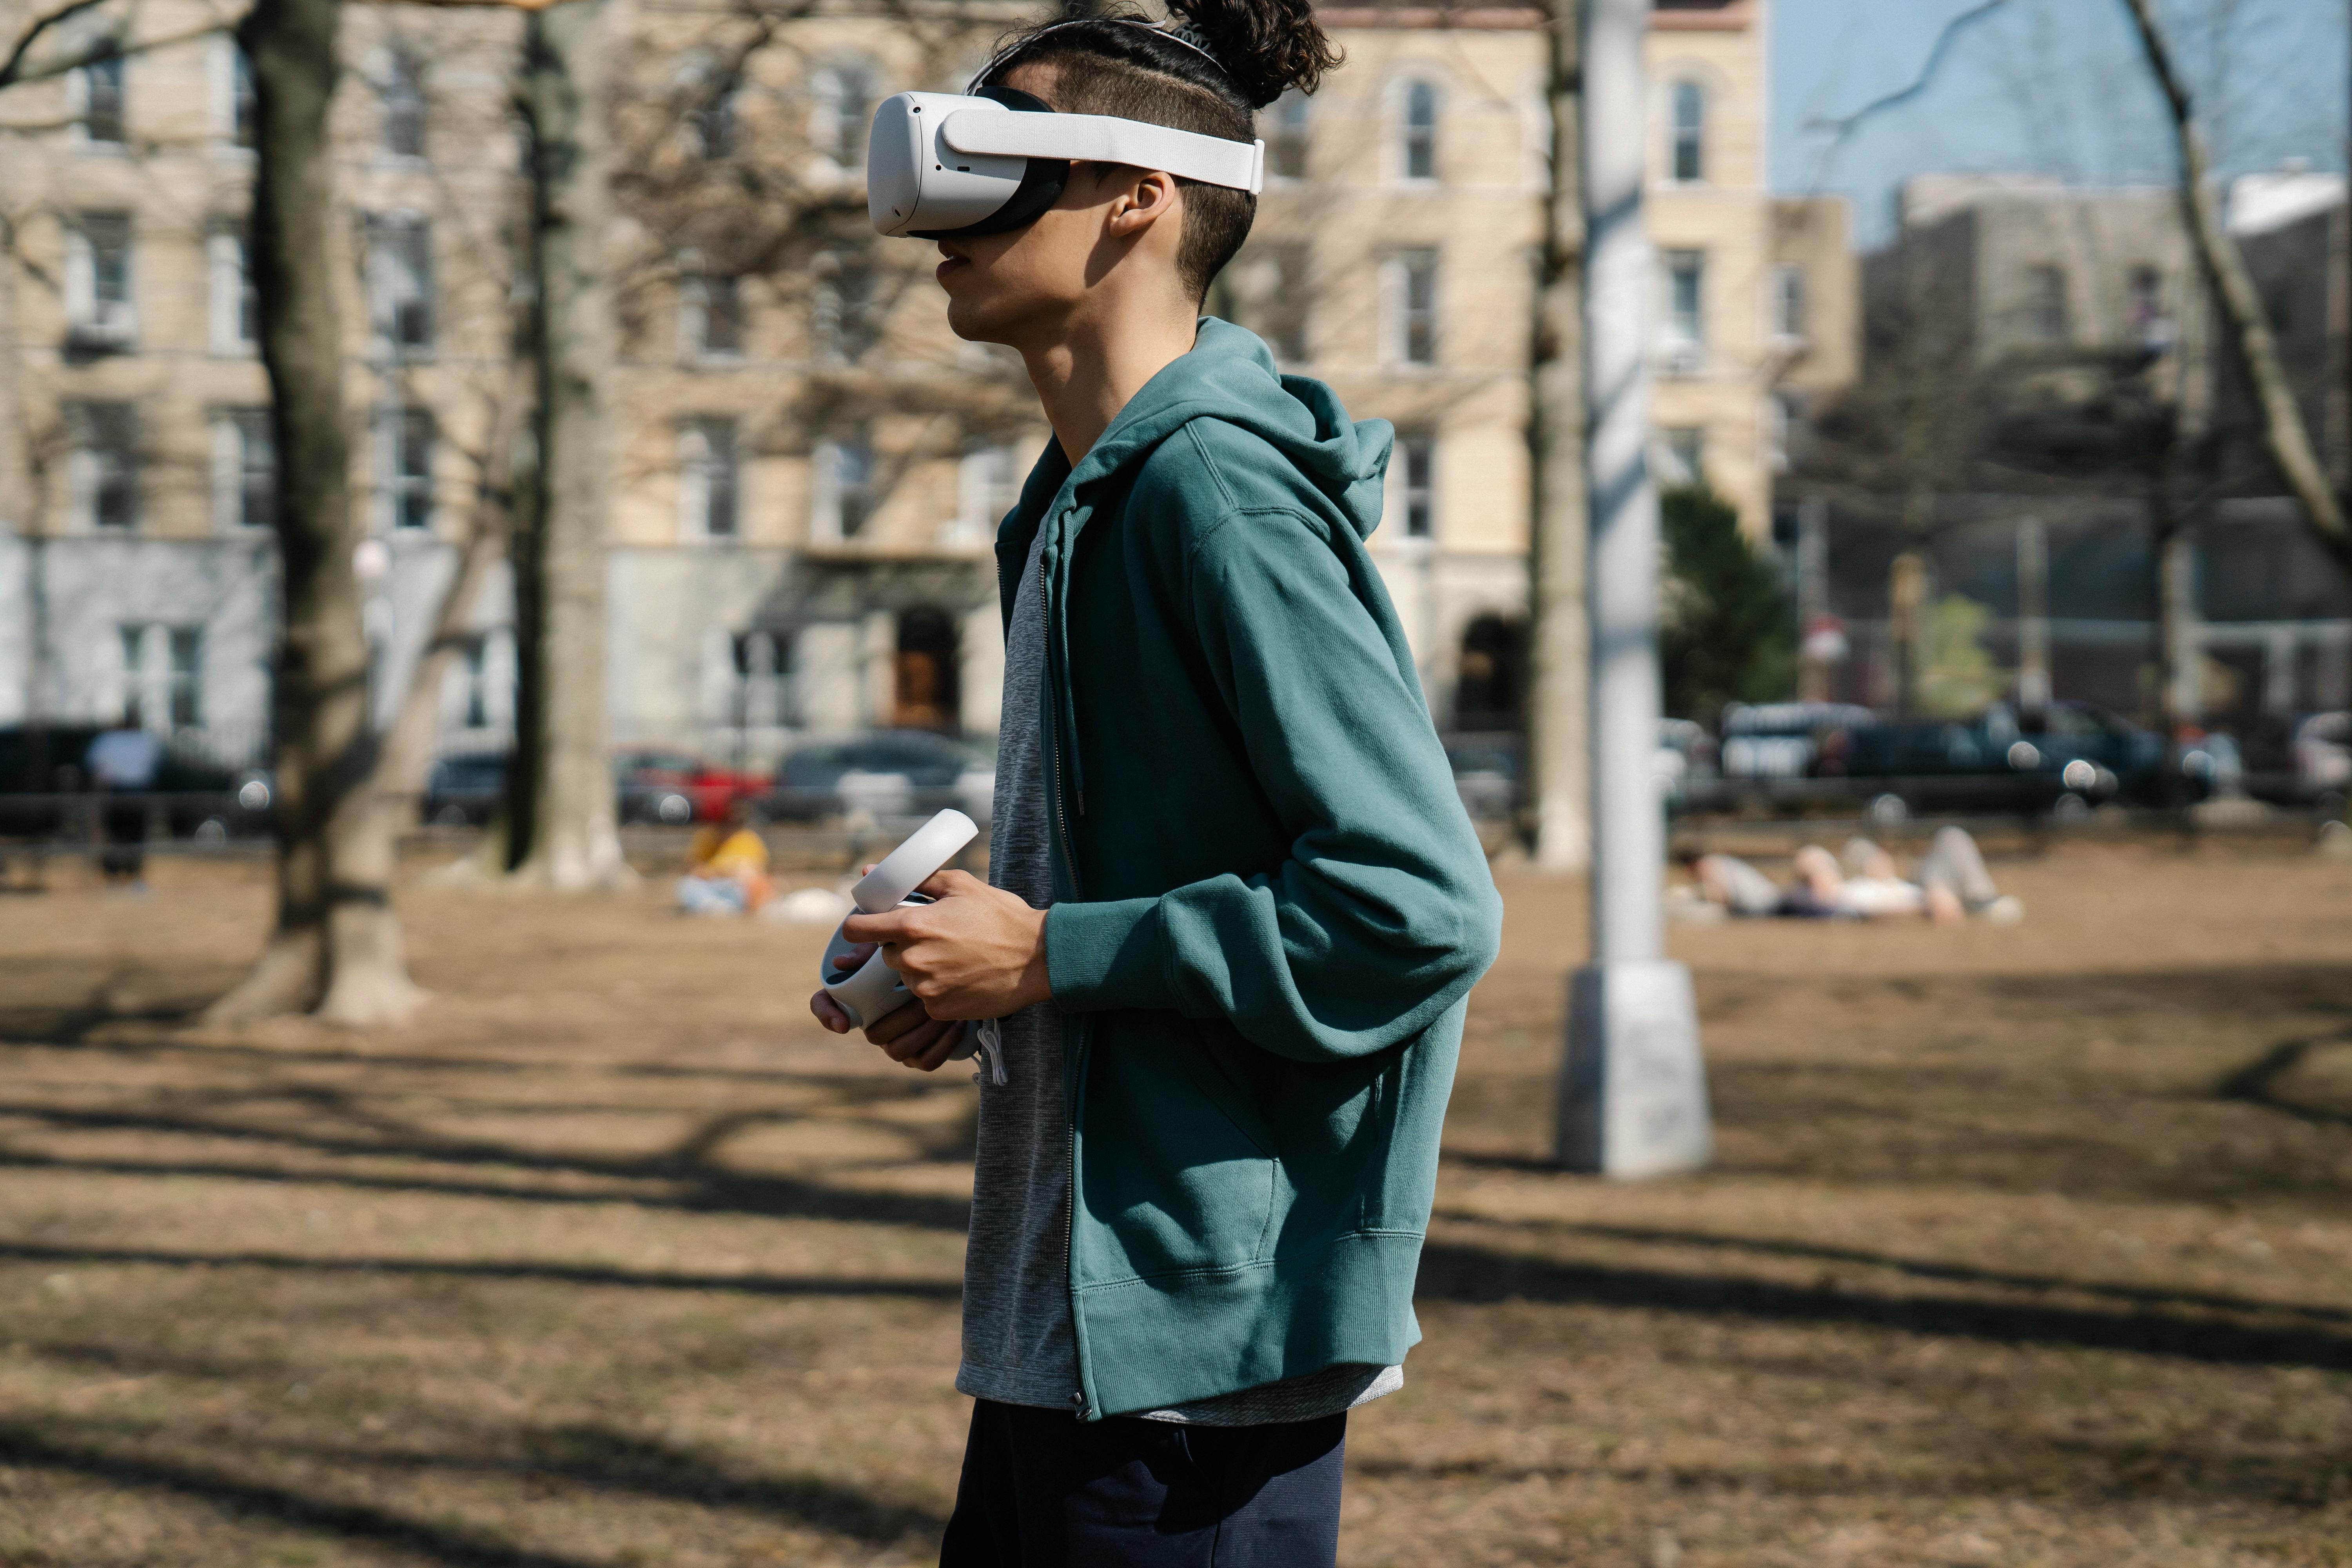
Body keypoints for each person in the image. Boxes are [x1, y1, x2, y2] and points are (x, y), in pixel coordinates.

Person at [807, 4, 1504, 1561]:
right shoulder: (1075, 500)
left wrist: (1056, 954)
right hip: (1078, 1316)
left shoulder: (1217, 495)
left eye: (999, 161)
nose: (938, 219)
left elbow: (1417, 907)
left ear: (1141, 198)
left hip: (1199, 1362)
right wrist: (978, 961)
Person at [1685, 825, 2022, 924]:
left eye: (1822, 868)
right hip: (1923, 895)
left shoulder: (1848, 885)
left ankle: (1982, 898)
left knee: (1951, 835)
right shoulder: (1841, 902)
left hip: (1912, 887)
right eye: (1814, 872)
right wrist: (1925, 906)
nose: (1820, 873)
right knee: (1950, 841)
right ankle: (1982, 904)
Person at [85, 720, 162, 887]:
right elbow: (153, 766)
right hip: (131, 792)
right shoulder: (144, 740)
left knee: (119, 836)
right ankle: (130, 877)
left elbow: (97, 770)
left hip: (117, 792)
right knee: (131, 836)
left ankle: (118, 878)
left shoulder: (107, 740)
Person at [676, 799, 771, 915]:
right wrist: (721, 872)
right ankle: (712, 908)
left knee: (750, 884)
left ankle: (730, 909)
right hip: (711, 887)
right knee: (688, 885)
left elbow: (754, 873)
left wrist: (721, 872)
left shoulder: (748, 839)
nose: (726, 826)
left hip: (735, 889)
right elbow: (696, 871)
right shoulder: (706, 838)